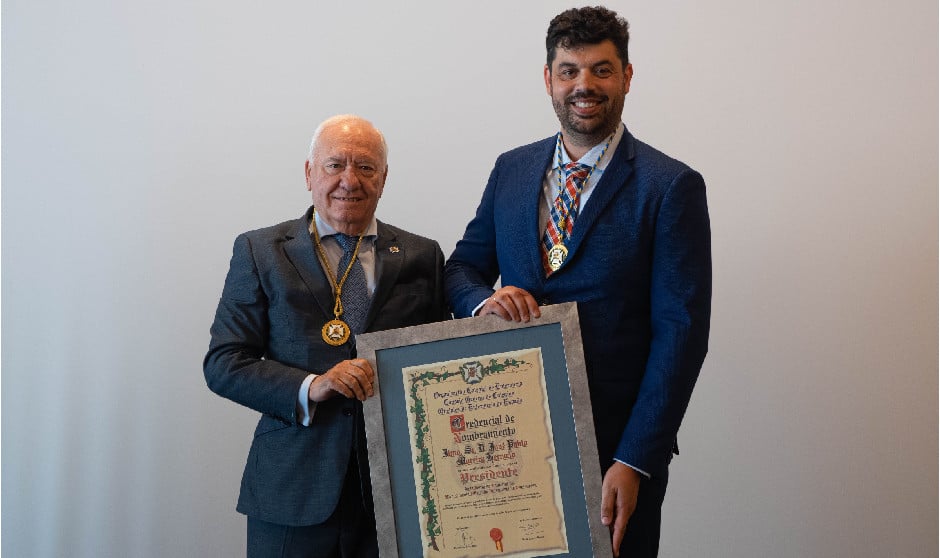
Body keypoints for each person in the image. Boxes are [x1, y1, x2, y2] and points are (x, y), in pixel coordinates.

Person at [443, 7, 711, 557]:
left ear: (627, 76)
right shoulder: (511, 170)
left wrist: (636, 459)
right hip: (512, 434)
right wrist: (483, 302)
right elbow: (460, 269)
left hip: (615, 450)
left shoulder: (670, 186)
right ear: (548, 79)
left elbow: (681, 334)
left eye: (601, 70)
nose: (583, 85)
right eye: (569, 70)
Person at [204, 114, 448, 558]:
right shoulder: (260, 251)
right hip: (293, 490)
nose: (349, 181)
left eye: (366, 167)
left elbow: (440, 363)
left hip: (397, 494)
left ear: (384, 178)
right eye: (335, 165)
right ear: (309, 173)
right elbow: (224, 363)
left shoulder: (422, 255)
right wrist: (313, 387)